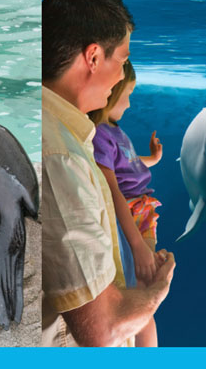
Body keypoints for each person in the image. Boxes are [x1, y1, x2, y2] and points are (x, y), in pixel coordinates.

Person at [41, 0, 175, 347]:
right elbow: (103, 329)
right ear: (94, 57)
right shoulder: (61, 156)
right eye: (122, 60)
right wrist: (159, 287)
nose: (120, 77)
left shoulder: (69, 135)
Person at [88, 59, 164, 347]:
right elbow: (113, 187)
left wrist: (152, 160)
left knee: (145, 287)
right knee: (140, 293)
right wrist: (137, 246)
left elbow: (126, 165)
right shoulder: (99, 136)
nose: (130, 104)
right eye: (127, 95)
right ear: (110, 92)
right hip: (130, 214)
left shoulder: (114, 130)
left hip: (143, 211)